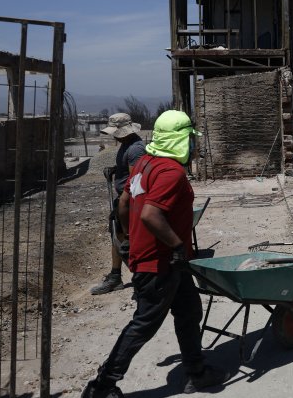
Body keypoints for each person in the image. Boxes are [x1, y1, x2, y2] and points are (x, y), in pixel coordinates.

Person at [82, 110, 228, 398]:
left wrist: (127, 236)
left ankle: (196, 373)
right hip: (161, 262)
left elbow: (124, 202)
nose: (192, 145)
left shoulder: (145, 163)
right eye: (189, 139)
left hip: (168, 261)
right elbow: (150, 214)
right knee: (143, 324)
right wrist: (175, 246)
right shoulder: (171, 172)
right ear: (180, 140)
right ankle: (101, 386)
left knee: (188, 312)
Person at [89, 113, 145, 295]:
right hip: (123, 199)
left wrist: (123, 203)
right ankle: (115, 276)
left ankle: (141, 279)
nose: (114, 135)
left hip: (128, 201)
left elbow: (134, 180)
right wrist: (115, 170)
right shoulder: (126, 145)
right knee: (116, 235)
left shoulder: (135, 149)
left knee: (128, 240)